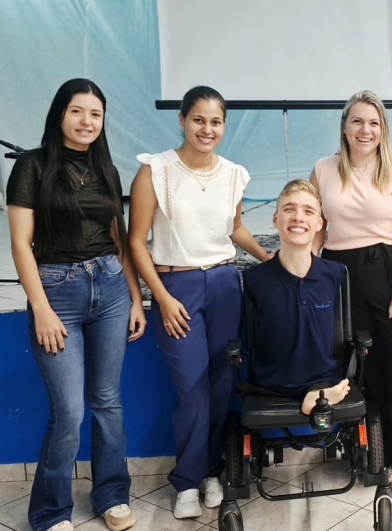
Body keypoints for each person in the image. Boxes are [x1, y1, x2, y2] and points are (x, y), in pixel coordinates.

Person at [7, 78, 146, 531]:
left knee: (108, 401)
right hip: (57, 292)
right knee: (69, 412)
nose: (87, 121)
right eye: (77, 111)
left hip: (110, 288)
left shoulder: (106, 168)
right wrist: (42, 309)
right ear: (60, 114)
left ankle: (112, 495)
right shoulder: (31, 166)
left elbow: (118, 240)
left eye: (95, 114)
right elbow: (21, 244)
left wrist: (135, 298)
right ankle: (50, 513)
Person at [128, 86, 271, 519]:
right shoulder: (155, 171)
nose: (207, 129)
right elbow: (136, 242)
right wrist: (162, 298)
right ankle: (187, 482)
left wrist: (270, 260)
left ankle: (211, 472)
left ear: (224, 125)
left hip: (226, 284)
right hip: (178, 288)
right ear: (183, 121)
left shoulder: (234, 175)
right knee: (192, 389)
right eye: (199, 120)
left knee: (222, 386)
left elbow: (235, 229)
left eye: (216, 122)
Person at [310, 90, 392, 488]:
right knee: (365, 371)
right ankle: (380, 456)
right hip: (339, 274)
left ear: (383, 129)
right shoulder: (323, 169)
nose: (365, 130)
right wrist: (305, 276)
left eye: (373, 123)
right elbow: (318, 229)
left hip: (390, 271)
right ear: (345, 127)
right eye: (357, 121)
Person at [243, 179, 350, 414]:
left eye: (308, 211)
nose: (298, 217)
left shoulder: (335, 274)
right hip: (273, 382)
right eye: (288, 209)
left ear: (319, 223)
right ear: (275, 219)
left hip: (326, 377)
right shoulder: (254, 279)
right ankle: (314, 397)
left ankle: (317, 393)